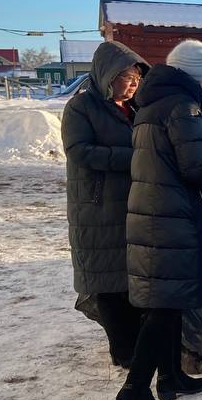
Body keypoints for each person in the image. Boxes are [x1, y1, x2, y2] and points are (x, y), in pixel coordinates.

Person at [116, 39, 202, 400]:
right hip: (171, 216)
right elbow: (194, 169)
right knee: (164, 308)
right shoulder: (183, 107)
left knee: (171, 301)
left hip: (155, 211)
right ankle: (134, 390)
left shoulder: (152, 103)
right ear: (196, 76)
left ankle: (170, 377)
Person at [61, 41, 149, 367]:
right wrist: (135, 158)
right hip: (97, 207)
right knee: (108, 283)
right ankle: (123, 353)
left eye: (137, 79)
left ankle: (137, 346)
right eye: (127, 77)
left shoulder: (135, 110)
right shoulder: (82, 108)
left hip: (131, 203)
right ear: (108, 75)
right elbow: (79, 152)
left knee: (130, 278)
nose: (133, 85)